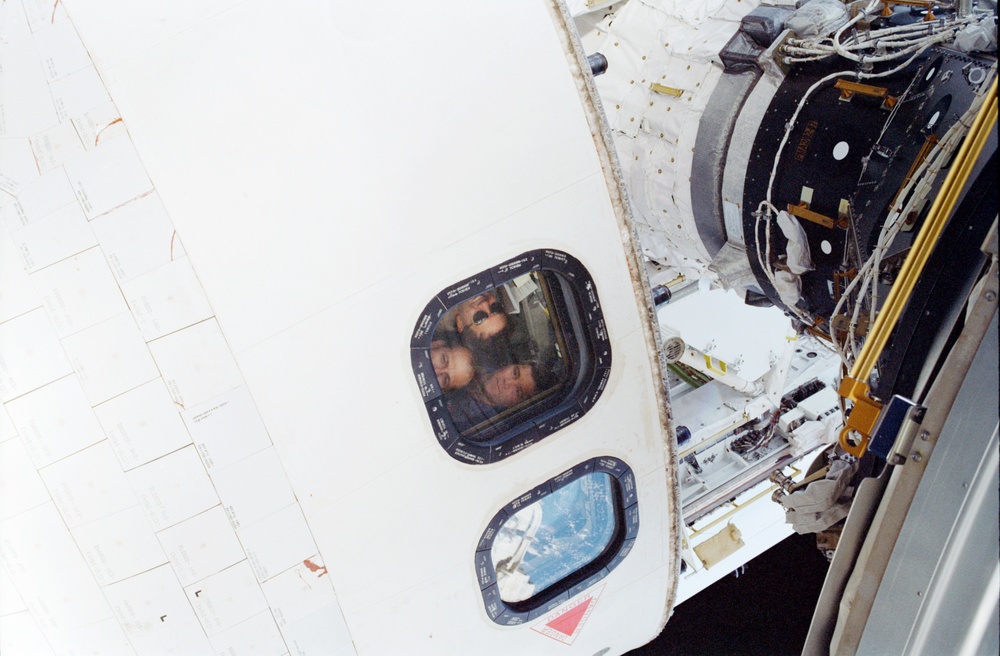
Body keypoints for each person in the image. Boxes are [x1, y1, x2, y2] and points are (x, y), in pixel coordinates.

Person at [447, 354, 567, 434]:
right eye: (515, 373)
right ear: (510, 365)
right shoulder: (472, 359)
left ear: (517, 405)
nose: (507, 382)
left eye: (518, 391)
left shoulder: (483, 426)